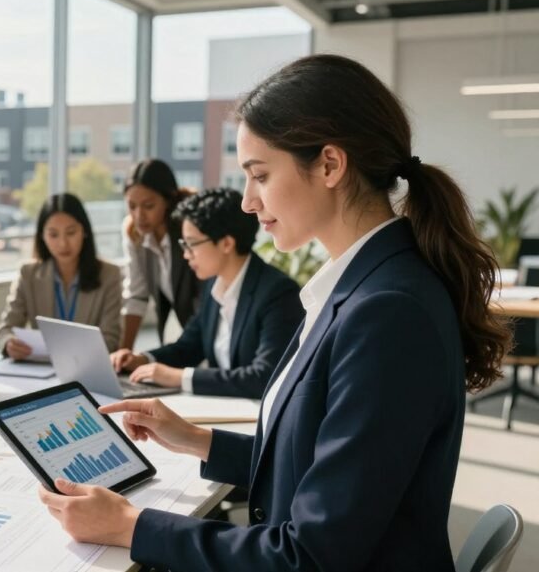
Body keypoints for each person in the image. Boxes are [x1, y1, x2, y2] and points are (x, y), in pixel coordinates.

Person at [38, 54, 510, 571]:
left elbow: (310, 555)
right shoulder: (362, 285)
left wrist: (132, 526)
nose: (246, 201)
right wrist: (197, 439)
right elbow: (321, 468)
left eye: (259, 175)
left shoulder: (387, 312)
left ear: (330, 165)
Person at [109, 188, 302, 399]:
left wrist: (180, 377)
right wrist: (143, 359)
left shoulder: (279, 294)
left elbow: (264, 376)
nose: (185, 254)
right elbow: (189, 347)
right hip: (224, 409)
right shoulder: (214, 285)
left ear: (226, 243)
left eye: (191, 244)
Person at [0, 193, 122, 356]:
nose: (63, 243)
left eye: (71, 233)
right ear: (42, 236)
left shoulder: (109, 274)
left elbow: (111, 339)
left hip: (86, 368)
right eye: (53, 235)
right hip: (41, 370)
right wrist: (9, 342)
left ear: (84, 231)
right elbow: (5, 329)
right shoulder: (28, 274)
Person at [120, 158, 203, 350]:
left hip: (204, 327)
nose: (139, 216)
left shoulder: (189, 231)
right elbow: (136, 296)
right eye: (132, 206)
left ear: (168, 200)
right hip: (181, 331)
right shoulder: (133, 234)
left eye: (148, 206)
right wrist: (124, 353)